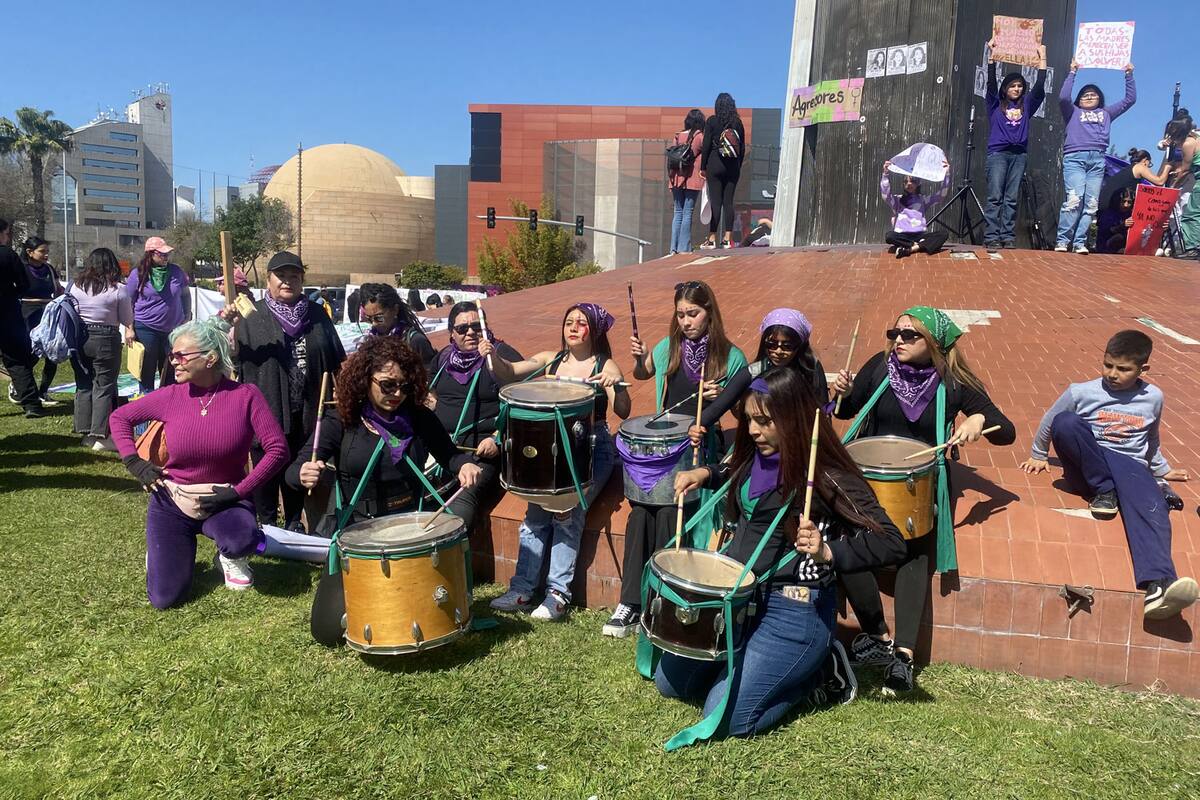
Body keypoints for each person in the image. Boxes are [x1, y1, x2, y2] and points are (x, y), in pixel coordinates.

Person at [656, 367, 905, 740]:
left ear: (791, 419)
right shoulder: (753, 454)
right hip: (740, 602)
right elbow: (733, 471)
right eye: (750, 420)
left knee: (730, 719)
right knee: (670, 684)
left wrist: (827, 552)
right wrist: (705, 474)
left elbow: (891, 541)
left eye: (764, 421)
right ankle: (755, 665)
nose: (754, 431)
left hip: (793, 611)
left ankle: (823, 673)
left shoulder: (824, 473)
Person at [832, 306, 1015, 693]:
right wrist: (844, 395)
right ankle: (878, 637)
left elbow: (1008, 432)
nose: (897, 341)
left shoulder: (954, 383)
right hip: (872, 477)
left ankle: (904, 657)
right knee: (844, 542)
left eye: (909, 336)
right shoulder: (880, 367)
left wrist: (978, 421)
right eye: (894, 333)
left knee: (915, 550)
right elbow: (847, 410)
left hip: (922, 483)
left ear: (935, 344)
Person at [287, 335, 485, 646]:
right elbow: (294, 470)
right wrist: (303, 473)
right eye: (387, 385)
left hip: (411, 529)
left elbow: (449, 454)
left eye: (404, 386)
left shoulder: (417, 417)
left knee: (412, 618)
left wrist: (464, 465)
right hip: (357, 534)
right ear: (365, 379)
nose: (397, 394)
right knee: (326, 631)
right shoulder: (342, 419)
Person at [109, 317, 290, 608]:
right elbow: (120, 417)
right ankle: (164, 556)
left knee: (243, 538)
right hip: (172, 500)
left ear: (210, 358)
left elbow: (277, 450)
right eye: (172, 355)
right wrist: (135, 463)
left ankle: (230, 557)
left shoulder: (245, 396)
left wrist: (238, 492)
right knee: (165, 599)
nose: (174, 361)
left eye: (181, 355)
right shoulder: (170, 395)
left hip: (225, 499)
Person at [1020, 330, 1196, 619]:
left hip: (1129, 467)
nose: (1113, 374)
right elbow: (1051, 421)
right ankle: (1105, 491)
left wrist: (1162, 470)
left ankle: (1159, 586)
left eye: (1123, 369)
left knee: (1152, 508)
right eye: (1108, 365)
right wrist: (1038, 454)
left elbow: (1150, 438)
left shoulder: (1153, 397)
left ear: (1143, 369)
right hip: (1087, 470)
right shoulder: (1082, 391)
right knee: (1067, 421)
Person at [606, 282, 746, 637]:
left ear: (709, 313)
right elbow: (642, 374)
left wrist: (720, 398)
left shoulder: (731, 357)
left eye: (693, 314)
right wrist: (638, 359)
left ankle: (658, 597)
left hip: (699, 452)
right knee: (639, 514)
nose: (685, 321)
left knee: (670, 513)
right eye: (680, 314)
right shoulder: (669, 346)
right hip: (662, 453)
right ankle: (630, 604)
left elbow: (747, 408)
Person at [487, 303, 630, 621]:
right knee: (535, 514)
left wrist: (614, 387)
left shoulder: (605, 364)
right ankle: (522, 590)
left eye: (581, 322)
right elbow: (508, 372)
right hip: (553, 454)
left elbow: (623, 410)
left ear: (595, 329)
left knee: (568, 513)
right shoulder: (549, 359)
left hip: (593, 451)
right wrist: (491, 355)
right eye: (569, 321)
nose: (574, 326)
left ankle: (557, 595)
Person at [233, 251, 345, 530]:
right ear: (268, 280)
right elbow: (234, 362)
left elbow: (335, 359)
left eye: (294, 276)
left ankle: (295, 521)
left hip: (308, 407)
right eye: (280, 276)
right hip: (266, 406)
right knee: (266, 466)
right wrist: (229, 329)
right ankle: (267, 523)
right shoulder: (251, 316)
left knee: (299, 462)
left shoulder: (317, 315)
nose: (287, 281)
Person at [427, 301, 523, 516]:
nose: (470, 332)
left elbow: (522, 406)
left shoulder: (502, 356)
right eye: (462, 328)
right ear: (452, 333)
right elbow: (429, 392)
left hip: (481, 451)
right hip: (443, 448)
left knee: (459, 507)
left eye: (477, 327)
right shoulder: (443, 358)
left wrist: (498, 438)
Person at [1055, 61, 1137, 254]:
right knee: (1074, 200)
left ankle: (1079, 243)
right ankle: (1062, 240)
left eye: (1093, 94)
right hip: (1075, 158)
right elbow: (1063, 97)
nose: (1089, 96)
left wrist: (1129, 75)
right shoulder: (1073, 112)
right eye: (1085, 94)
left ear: (1100, 99)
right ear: (1079, 100)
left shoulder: (1106, 114)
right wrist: (1072, 72)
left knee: (1091, 204)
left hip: (1097, 160)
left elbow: (1129, 100)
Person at [982, 40, 1047, 249]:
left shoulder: (1026, 105)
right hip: (998, 155)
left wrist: (1042, 58)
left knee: (1011, 198)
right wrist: (991, 57)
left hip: (1019, 155)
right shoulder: (995, 104)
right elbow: (990, 84)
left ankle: (1007, 236)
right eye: (1012, 85)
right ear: (1005, 89)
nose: (1016, 88)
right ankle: (991, 236)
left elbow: (1039, 88)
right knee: (995, 197)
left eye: (1019, 85)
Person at [68, 248, 133, 450]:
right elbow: (126, 319)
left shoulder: (75, 286)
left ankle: (85, 432)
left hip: (80, 338)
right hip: (106, 337)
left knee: (84, 384)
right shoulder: (118, 289)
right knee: (104, 386)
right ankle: (100, 436)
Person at [127, 236, 191, 394]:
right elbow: (128, 301)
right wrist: (129, 328)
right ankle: (146, 405)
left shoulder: (176, 272)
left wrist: (187, 316)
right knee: (146, 370)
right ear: (150, 254)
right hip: (145, 328)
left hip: (173, 330)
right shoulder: (138, 274)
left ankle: (169, 403)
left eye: (167, 254)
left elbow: (185, 295)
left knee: (171, 368)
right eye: (161, 254)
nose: (165, 257)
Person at [0, 218, 42, 417]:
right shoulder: (8, 255)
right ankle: (31, 404)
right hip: (8, 314)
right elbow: (24, 284)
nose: (8, 237)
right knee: (18, 361)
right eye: (7, 233)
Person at [1096, 149, 1174, 254]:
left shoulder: (1127, 170)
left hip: (1107, 204)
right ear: (1145, 160)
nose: (1148, 167)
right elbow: (1159, 181)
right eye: (1149, 164)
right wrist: (1168, 167)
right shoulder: (1140, 166)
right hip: (1113, 205)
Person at [17, 236, 63, 405]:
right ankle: (22, 386)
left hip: (48, 314)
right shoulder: (21, 269)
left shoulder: (49, 269)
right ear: (30, 252)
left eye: (47, 252)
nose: (46, 255)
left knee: (52, 352)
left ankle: (43, 391)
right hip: (28, 313)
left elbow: (58, 288)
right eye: (42, 251)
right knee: (32, 353)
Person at [699, 93, 746, 249]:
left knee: (716, 202)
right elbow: (743, 148)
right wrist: (738, 165)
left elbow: (705, 146)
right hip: (732, 166)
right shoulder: (738, 123)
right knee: (728, 203)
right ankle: (727, 239)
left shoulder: (712, 121)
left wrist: (703, 167)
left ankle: (711, 238)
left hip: (715, 163)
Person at [880, 159, 951, 258]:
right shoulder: (898, 200)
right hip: (902, 236)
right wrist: (885, 174)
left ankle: (910, 249)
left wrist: (946, 174)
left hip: (920, 235)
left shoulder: (923, 199)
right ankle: (918, 246)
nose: (909, 184)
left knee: (943, 234)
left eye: (912, 181)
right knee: (889, 236)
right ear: (903, 184)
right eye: (906, 182)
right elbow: (885, 195)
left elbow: (941, 195)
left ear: (918, 184)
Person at [360, 282, 435, 365]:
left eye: (379, 317)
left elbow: (430, 375)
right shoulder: (369, 341)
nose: (374, 324)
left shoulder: (415, 341)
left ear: (395, 310)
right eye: (369, 319)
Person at [669, 109, 706, 255]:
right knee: (688, 212)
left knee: (678, 212)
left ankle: (674, 247)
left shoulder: (678, 136)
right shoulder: (699, 136)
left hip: (676, 179)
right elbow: (706, 150)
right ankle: (684, 247)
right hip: (691, 178)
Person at [1176, 119, 1200, 253]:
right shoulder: (1197, 137)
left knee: (1191, 215)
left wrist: (1174, 186)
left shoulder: (1188, 143)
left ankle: (1192, 248)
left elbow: (1185, 170)